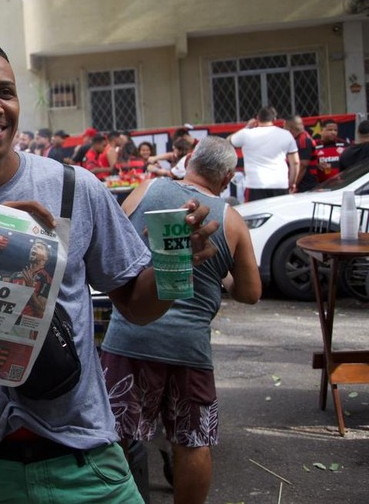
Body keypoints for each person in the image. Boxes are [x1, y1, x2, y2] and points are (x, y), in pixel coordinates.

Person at [0, 38, 218, 504]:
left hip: (86, 459)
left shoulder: (74, 188)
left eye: (5, 91)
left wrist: (174, 262)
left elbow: (136, 307)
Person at [102, 136, 262, 504]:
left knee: (114, 436)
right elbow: (250, 292)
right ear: (227, 178)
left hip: (129, 337)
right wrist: (221, 271)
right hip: (189, 348)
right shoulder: (231, 220)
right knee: (192, 441)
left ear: (189, 160)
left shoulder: (145, 190)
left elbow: (115, 248)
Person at [228, 106, 298, 201]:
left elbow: (228, 141)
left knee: (255, 210)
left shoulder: (246, 134)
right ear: (274, 119)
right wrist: (292, 182)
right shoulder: (286, 134)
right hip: (280, 183)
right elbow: (295, 163)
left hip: (255, 184)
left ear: (257, 118)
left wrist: (247, 127)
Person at [285, 115, 319, 192]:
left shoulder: (303, 140)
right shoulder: (299, 139)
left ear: (290, 128)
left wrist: (293, 185)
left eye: (285, 127)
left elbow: (303, 165)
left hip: (305, 184)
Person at [312, 118, 349, 183]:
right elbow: (306, 164)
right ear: (321, 131)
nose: (333, 132)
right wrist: (316, 165)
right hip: (320, 185)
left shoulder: (344, 144)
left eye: (335, 130)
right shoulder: (314, 145)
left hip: (341, 184)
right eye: (330, 130)